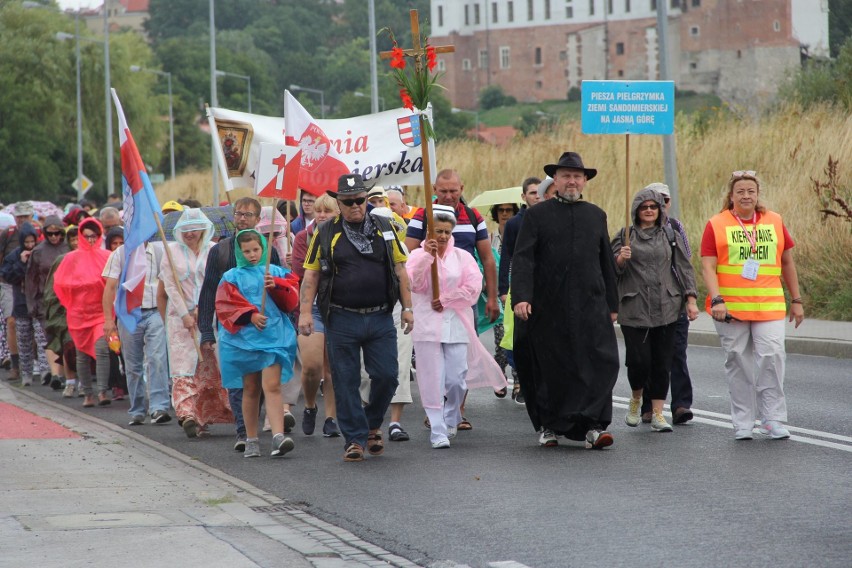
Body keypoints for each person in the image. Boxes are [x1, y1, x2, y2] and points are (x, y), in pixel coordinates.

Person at [299, 173, 414, 462]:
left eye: (360, 200)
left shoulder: (386, 227)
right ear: (338, 202)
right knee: (345, 380)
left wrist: (409, 308)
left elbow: (401, 271)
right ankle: (354, 439)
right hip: (341, 317)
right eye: (348, 202)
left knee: (388, 376)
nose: (355, 206)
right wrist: (304, 312)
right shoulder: (325, 233)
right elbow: (310, 275)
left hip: (380, 317)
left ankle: (372, 423)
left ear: (366, 200)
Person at [511, 151, 619, 449]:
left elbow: (606, 262)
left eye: (577, 176)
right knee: (550, 365)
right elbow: (523, 260)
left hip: (590, 305)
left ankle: (594, 426)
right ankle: (548, 425)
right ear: (555, 180)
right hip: (548, 306)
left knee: (598, 362)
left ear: (584, 181)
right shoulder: (536, 216)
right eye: (565, 176)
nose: (571, 181)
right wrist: (521, 297)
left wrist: (612, 304)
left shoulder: (596, 215)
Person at [700, 170, 804, 440]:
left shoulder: (775, 221)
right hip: (730, 309)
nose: (746, 196)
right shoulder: (717, 224)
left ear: (757, 195)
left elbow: (787, 262)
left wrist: (797, 300)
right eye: (740, 192)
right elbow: (708, 267)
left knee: (772, 357)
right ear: (731, 196)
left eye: (751, 191)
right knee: (739, 363)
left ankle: (773, 419)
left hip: (768, 305)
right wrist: (718, 300)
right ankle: (743, 423)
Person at [405, 169, 500, 430]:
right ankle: (436, 412)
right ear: (434, 189)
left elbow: (488, 258)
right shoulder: (423, 215)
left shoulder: (473, 216)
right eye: (443, 191)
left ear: (461, 188)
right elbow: (408, 255)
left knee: (461, 361)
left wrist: (492, 297)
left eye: (453, 191)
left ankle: (457, 409)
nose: (448, 196)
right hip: (429, 297)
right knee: (434, 362)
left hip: (462, 296)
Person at [612, 186, 699, 432]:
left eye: (653, 207)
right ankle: (637, 399)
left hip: (667, 306)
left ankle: (659, 413)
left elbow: (684, 268)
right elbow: (610, 270)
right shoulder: (625, 235)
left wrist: (690, 300)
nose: (649, 211)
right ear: (636, 211)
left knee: (662, 362)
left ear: (660, 210)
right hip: (634, 307)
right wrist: (620, 258)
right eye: (644, 207)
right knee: (639, 362)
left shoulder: (670, 235)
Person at [197, 197, 282, 452]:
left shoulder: (269, 251)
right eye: (239, 213)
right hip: (232, 328)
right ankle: (244, 432)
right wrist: (205, 330)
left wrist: (287, 322)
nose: (243, 218)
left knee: (263, 382)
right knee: (237, 383)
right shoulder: (220, 251)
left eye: (248, 214)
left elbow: (281, 290)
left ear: (258, 219)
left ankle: (253, 426)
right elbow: (209, 291)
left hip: (264, 327)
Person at [216, 229, 300, 458]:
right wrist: (250, 315)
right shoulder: (231, 277)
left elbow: (292, 297)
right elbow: (225, 305)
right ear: (238, 252)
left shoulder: (274, 271)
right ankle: (251, 438)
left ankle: (278, 436)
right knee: (250, 388)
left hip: (273, 337)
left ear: (263, 249)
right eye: (246, 251)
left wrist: (279, 284)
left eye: (256, 249)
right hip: (244, 340)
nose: (252, 255)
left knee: (271, 386)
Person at [160, 208, 233, 438]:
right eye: (185, 229)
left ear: (203, 228)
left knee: (207, 366)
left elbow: (218, 282)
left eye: (194, 228)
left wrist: (204, 309)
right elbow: (170, 286)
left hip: (209, 316)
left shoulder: (214, 250)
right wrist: (184, 314)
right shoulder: (170, 251)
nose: (190, 233)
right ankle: (186, 414)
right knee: (183, 367)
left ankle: (203, 417)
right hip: (179, 318)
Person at [638, 182, 696, 424]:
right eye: (652, 201)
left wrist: (690, 298)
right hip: (646, 303)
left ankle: (681, 405)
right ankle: (649, 405)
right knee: (650, 356)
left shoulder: (674, 228)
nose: (659, 206)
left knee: (677, 353)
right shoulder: (634, 230)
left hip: (674, 301)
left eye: (664, 200)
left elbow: (686, 263)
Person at [102, 234, 171, 424]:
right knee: (132, 365)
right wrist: (109, 320)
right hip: (128, 314)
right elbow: (109, 287)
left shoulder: (160, 251)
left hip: (155, 311)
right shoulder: (121, 253)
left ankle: (159, 407)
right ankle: (137, 409)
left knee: (157, 358)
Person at [291, 194, 340, 438]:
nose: (321, 215)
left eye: (327, 211)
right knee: (312, 366)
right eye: (318, 211)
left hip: (338, 306)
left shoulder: (344, 238)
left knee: (332, 368)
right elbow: (302, 271)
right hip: (312, 306)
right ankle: (310, 405)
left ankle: (331, 417)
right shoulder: (303, 238)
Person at [52, 218, 112, 407]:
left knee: (102, 349)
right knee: (81, 354)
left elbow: (114, 283)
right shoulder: (71, 258)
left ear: (100, 235)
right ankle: (87, 393)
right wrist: (80, 286)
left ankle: (102, 391)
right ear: (80, 236)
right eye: (86, 236)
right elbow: (60, 283)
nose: (91, 240)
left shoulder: (108, 256)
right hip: (78, 313)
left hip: (101, 312)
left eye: (94, 236)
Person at [497, 177, 540, 403]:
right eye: (532, 193)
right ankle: (520, 378)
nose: (537, 196)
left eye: (539, 192)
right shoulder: (514, 223)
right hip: (519, 285)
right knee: (513, 336)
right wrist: (504, 288)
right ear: (524, 197)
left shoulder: (548, 218)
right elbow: (506, 255)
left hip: (542, 286)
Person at [24, 216, 69, 390]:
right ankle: (55, 374)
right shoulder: (38, 251)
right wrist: (31, 304)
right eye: (49, 233)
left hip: (66, 300)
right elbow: (30, 280)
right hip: (46, 301)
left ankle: (66, 375)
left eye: (57, 233)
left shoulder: (69, 248)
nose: (54, 236)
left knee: (65, 338)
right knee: (49, 337)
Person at [0, 201, 40, 382]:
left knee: (36, 325)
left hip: (35, 284)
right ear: (15, 218)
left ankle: (33, 362)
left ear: (32, 217)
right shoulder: (7, 234)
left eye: (26, 216)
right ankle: (16, 365)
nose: (23, 220)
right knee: (12, 322)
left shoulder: (39, 233)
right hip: (10, 282)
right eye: (20, 217)